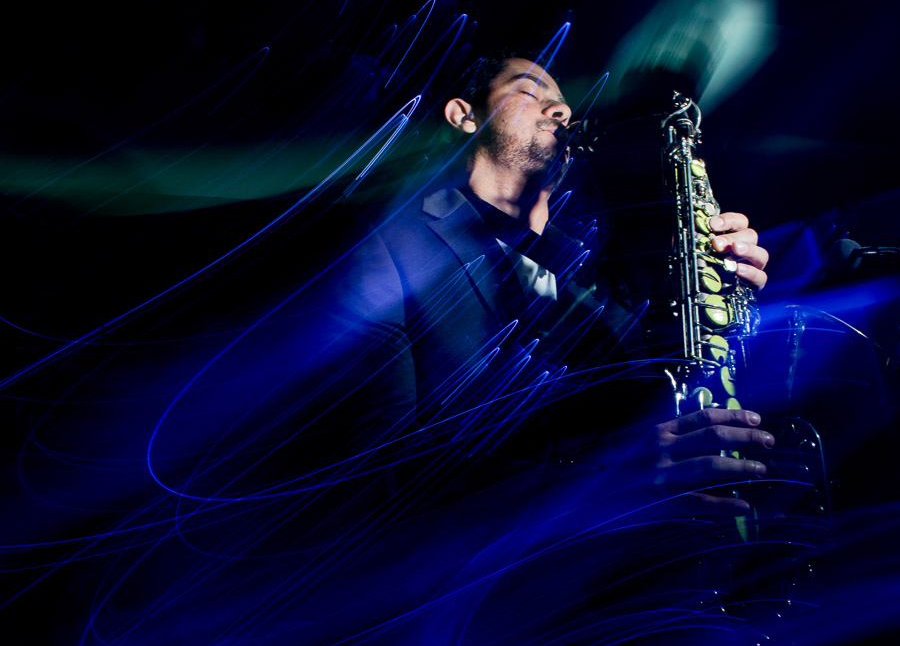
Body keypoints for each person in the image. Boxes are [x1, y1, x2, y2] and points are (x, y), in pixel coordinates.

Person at [327, 53, 777, 513]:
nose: (562, 111)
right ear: (464, 116)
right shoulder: (384, 244)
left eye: (563, 104)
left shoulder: (599, 276)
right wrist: (598, 482)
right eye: (528, 90)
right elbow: (369, 478)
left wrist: (727, 291)